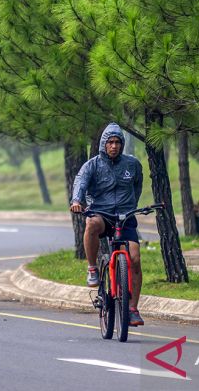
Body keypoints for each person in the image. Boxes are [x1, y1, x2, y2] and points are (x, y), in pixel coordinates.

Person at [69, 123, 145, 326]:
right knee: (91, 223)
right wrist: (77, 201)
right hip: (101, 214)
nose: (114, 146)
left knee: (135, 259)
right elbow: (80, 182)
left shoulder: (132, 164)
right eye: (110, 142)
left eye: (118, 142)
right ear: (104, 144)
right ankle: (93, 268)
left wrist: (131, 206)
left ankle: (132, 309)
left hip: (125, 217)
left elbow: (138, 185)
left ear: (122, 144)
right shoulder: (92, 165)